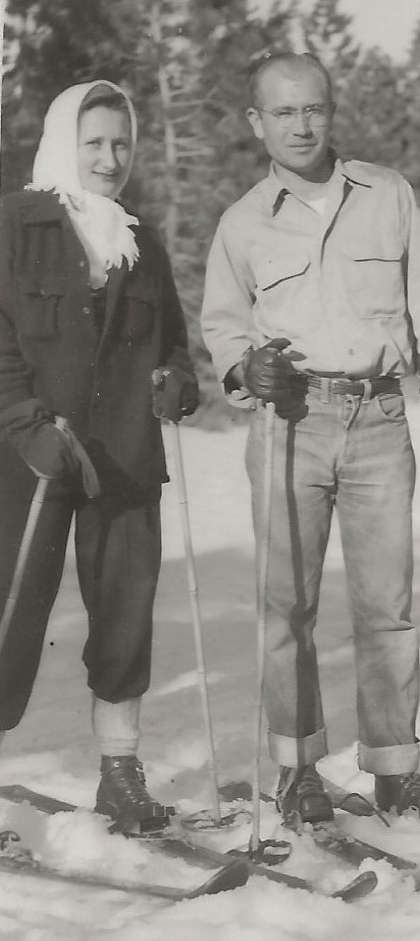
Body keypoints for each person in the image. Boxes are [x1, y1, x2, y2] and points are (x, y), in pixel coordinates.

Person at [202, 52, 420, 827]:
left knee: (388, 607)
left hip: (380, 416)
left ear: (331, 109)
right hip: (291, 423)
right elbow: (221, 327)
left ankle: (392, 771)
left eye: (312, 108)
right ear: (257, 122)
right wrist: (246, 370)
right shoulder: (242, 221)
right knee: (288, 607)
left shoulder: (387, 194)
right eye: (282, 113)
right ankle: (295, 772)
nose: (301, 124)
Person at [0, 81, 200, 834]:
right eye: (94, 143)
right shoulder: (16, 221)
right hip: (27, 458)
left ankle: (120, 774)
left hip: (122, 455)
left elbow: (175, 342)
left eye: (121, 143)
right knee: (10, 616)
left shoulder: (138, 242)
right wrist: (25, 424)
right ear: (63, 143)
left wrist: (176, 382)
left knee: (124, 615)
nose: (110, 158)